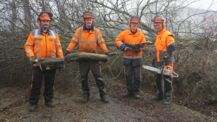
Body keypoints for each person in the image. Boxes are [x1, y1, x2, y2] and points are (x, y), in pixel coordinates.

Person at [24, 10, 64, 112]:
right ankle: (33, 103)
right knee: (36, 84)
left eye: (47, 21)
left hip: (52, 63)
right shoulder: (34, 33)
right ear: (39, 22)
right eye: (43, 21)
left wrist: (61, 60)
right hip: (38, 64)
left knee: (49, 84)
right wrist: (32, 57)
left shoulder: (54, 34)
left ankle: (49, 101)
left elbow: (59, 47)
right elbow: (27, 46)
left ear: (50, 22)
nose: (46, 22)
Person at [66, 11, 109, 103]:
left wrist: (106, 51)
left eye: (90, 19)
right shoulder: (79, 31)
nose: (89, 21)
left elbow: (101, 42)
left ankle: (103, 95)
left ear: (92, 20)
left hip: (94, 57)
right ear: (84, 21)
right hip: (82, 58)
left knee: (98, 77)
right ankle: (85, 94)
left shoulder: (97, 31)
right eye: (87, 20)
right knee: (83, 77)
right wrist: (68, 50)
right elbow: (73, 41)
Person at [114, 17, 146, 99]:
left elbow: (144, 45)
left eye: (136, 24)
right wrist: (123, 47)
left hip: (137, 58)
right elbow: (117, 40)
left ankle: (135, 92)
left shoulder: (141, 34)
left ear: (137, 25)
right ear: (130, 25)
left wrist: (139, 48)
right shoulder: (124, 33)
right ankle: (129, 91)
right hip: (127, 58)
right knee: (128, 76)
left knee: (137, 77)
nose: (134, 26)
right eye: (133, 24)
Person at [151, 15, 175, 105]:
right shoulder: (158, 35)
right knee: (157, 79)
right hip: (158, 60)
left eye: (158, 24)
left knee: (167, 79)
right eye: (155, 24)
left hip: (167, 61)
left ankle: (168, 98)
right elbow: (158, 49)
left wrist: (167, 56)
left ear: (162, 24)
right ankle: (160, 95)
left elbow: (171, 47)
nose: (156, 26)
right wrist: (155, 59)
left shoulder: (168, 34)